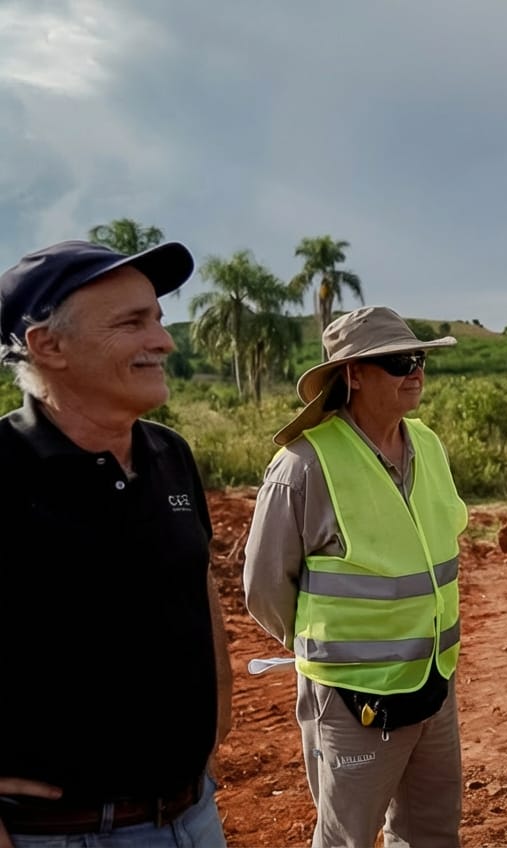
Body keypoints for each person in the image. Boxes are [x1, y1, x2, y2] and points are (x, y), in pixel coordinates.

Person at [0, 241, 230, 845]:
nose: (164, 341)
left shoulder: (169, 453)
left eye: (156, 317)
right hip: (64, 833)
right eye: (133, 322)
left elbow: (196, 580)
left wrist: (218, 715)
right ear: (47, 345)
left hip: (193, 814)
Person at [243, 306, 465, 848]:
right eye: (397, 362)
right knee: (348, 838)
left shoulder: (427, 445)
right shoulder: (303, 465)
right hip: (351, 700)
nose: (415, 371)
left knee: (433, 832)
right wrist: (333, 652)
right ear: (353, 374)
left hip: (435, 683)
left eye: (418, 359)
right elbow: (266, 587)